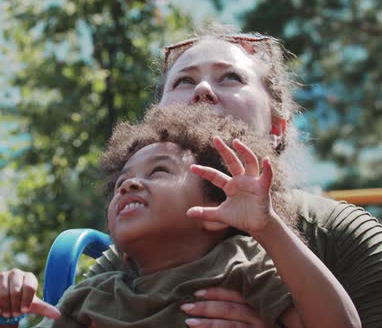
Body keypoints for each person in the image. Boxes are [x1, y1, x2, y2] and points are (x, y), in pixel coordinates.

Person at [87, 25, 382, 327]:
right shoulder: (127, 257)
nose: (202, 90)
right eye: (184, 81)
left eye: (231, 77)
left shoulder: (339, 233)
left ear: (276, 129)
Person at [0, 104, 360, 328]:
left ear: (215, 210)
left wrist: (269, 228)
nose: (128, 186)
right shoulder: (92, 295)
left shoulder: (242, 268)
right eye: (121, 183)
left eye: (158, 171)